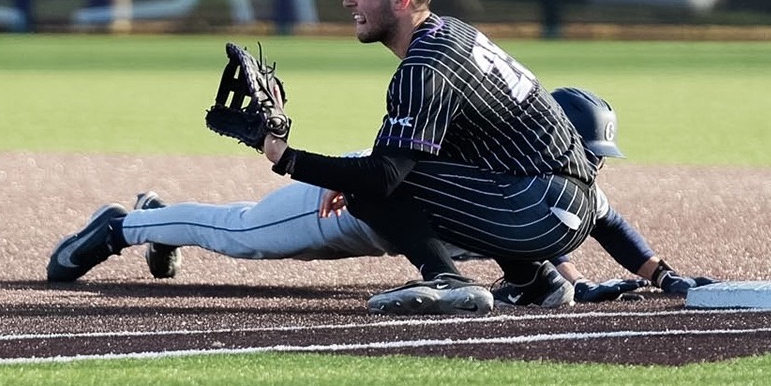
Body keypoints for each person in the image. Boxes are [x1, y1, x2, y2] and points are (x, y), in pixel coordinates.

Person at [53, 0, 603, 315]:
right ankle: (530, 279)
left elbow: (385, 179)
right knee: (354, 188)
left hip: (529, 206)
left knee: (257, 226)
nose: (348, 0)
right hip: (557, 209)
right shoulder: (458, 37)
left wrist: (285, 157)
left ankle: (123, 226)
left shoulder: (425, 67)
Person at [46, 86, 718, 306]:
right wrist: (343, 175)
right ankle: (127, 225)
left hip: (388, 225)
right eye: (584, 154)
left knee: (240, 233)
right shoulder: (492, 155)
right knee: (241, 234)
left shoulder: (549, 190)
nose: (589, 171)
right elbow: (398, 168)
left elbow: (593, 223)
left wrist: (654, 276)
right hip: (345, 209)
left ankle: (159, 220)